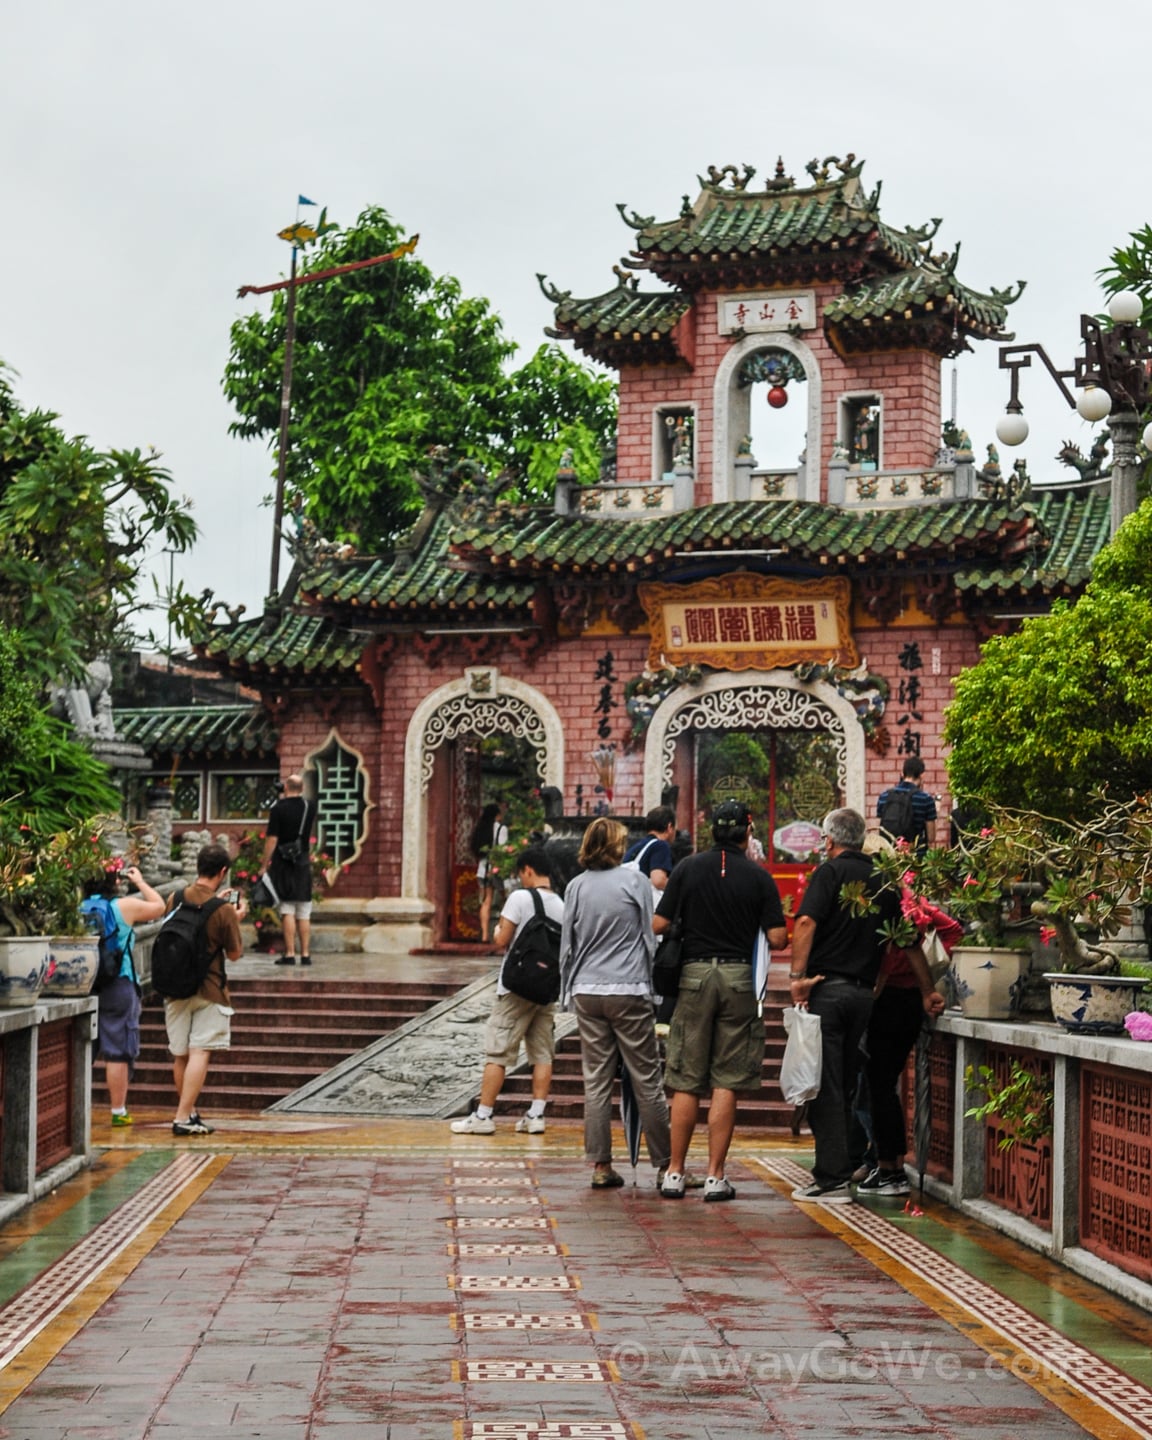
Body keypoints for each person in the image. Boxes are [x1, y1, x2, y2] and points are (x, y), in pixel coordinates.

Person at [654, 800, 788, 1201]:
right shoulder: (759, 877)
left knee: (685, 1077)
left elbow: (659, 923)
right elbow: (779, 937)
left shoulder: (687, 868)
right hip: (738, 978)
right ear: (748, 833)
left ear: (711, 831)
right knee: (727, 1078)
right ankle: (715, 1176)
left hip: (693, 975)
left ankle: (675, 1173)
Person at [789, 808, 917, 1202]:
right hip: (864, 996)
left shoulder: (829, 873)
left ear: (829, 840)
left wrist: (796, 979)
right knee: (842, 1084)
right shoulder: (883, 880)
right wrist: (927, 989)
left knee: (826, 1085)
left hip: (830, 991)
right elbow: (905, 937)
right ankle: (841, 1168)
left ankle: (832, 1180)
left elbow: (807, 922)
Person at [560, 817, 671, 1189]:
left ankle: (601, 1166)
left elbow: (567, 944)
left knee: (596, 1080)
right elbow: (646, 936)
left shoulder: (576, 886)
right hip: (628, 987)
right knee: (646, 1078)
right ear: (615, 847)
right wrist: (650, 984)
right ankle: (665, 1164)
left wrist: (566, 991)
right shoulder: (635, 881)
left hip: (587, 991)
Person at [450, 846, 562, 1135]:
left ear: (528, 870)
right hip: (546, 989)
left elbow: (502, 939)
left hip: (516, 988)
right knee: (542, 1053)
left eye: (520, 874)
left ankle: (484, 1116)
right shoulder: (562, 904)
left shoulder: (520, 897)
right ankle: (536, 1115)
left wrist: (499, 926)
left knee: (498, 1052)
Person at [858, 902, 954, 1195]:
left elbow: (895, 956)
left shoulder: (892, 908)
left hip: (889, 999)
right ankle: (888, 1165)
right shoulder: (914, 906)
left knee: (880, 1086)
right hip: (910, 999)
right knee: (882, 1085)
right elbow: (952, 930)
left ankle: (891, 1168)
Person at [163, 844, 247, 1136]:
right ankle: (183, 1116)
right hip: (209, 989)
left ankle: (189, 1111)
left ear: (198, 867)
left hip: (174, 986)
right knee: (200, 1052)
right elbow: (234, 955)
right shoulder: (223, 910)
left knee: (181, 1055)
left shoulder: (175, 897)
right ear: (223, 872)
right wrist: (234, 918)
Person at [82, 863, 166, 1127]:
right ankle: (118, 1111)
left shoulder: (77, 909)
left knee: (82, 1048)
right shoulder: (123, 907)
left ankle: (78, 1109)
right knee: (117, 1050)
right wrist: (139, 882)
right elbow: (159, 906)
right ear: (115, 882)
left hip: (83, 985)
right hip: (119, 983)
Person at [261, 774, 316, 966]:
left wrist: (263, 864)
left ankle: (290, 953)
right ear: (301, 788)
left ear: (285, 787)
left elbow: (272, 839)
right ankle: (306, 954)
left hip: (283, 863)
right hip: (302, 862)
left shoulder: (277, 809)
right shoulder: (310, 807)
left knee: (287, 910)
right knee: (304, 911)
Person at [876, 756, 937, 851]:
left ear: (902, 773)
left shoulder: (884, 796)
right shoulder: (926, 799)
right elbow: (931, 837)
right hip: (915, 857)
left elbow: (879, 829)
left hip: (890, 856)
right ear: (922, 775)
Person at [471, 801, 508, 945]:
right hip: (497, 869)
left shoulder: (481, 829)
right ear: (497, 815)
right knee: (504, 900)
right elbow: (503, 849)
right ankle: (503, 932)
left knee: (486, 901)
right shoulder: (501, 829)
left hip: (482, 869)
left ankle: (485, 935)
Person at [622, 805, 677, 898]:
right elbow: (658, 880)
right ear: (669, 827)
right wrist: (679, 888)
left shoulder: (637, 846)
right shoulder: (661, 845)